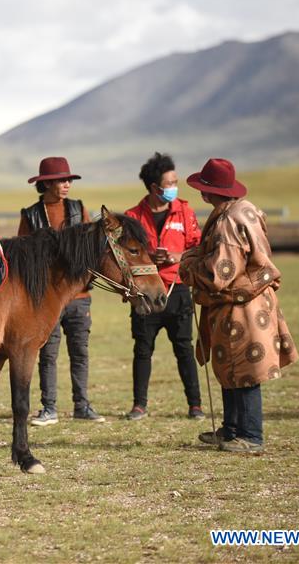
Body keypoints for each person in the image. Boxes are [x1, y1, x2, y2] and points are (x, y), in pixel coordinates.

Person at [179, 158, 299, 453]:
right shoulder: (244, 210)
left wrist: (188, 265)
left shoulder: (227, 222)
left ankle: (251, 436)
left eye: (203, 190)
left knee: (244, 369)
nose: (201, 195)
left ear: (209, 192)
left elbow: (219, 274)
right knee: (230, 365)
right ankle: (232, 430)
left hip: (240, 305)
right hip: (249, 301)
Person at [19, 156, 105, 425]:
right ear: (46, 184)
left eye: (69, 180)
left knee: (80, 351)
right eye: (62, 180)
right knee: (48, 353)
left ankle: (82, 405)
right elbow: (23, 253)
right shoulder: (31, 215)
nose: (67, 184)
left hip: (79, 296)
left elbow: (94, 249)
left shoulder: (80, 209)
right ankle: (49, 408)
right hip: (47, 298)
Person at [123, 153, 204, 421]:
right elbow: (125, 253)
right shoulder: (132, 216)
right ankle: (139, 405)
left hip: (177, 289)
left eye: (175, 182)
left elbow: (198, 247)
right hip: (146, 292)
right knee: (142, 348)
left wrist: (177, 257)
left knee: (184, 347)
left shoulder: (185, 211)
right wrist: (150, 257)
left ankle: (195, 405)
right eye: (169, 183)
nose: (174, 187)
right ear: (154, 188)